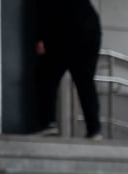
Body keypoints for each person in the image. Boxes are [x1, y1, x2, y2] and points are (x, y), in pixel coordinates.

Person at [35, 0, 103, 139]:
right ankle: (94, 129)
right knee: (85, 82)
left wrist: (41, 37)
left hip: (65, 28)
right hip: (89, 26)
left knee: (48, 78)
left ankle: (48, 123)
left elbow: (46, 8)